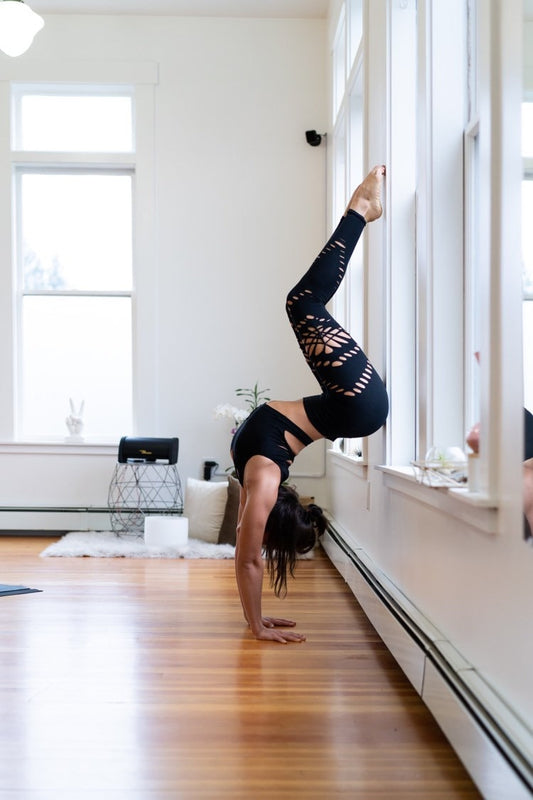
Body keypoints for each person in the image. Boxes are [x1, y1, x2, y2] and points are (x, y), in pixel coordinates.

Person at [231, 165, 389, 643]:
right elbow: (248, 558)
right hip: (353, 405)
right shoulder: (264, 479)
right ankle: (361, 209)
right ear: (269, 514)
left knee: (301, 302)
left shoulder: (258, 483)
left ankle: (363, 210)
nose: (250, 527)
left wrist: (253, 621)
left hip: (350, 406)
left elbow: (246, 547)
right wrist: (256, 626)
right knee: (301, 303)